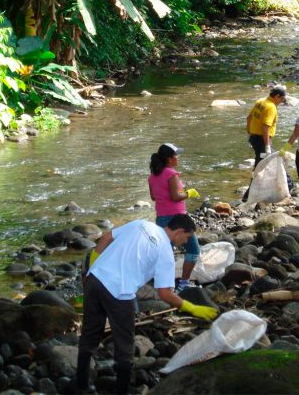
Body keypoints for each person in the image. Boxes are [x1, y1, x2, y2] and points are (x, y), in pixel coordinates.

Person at [76, 215, 218, 394]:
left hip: (94, 280)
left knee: (90, 333)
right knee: (125, 346)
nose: (186, 241)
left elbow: (105, 238)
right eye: (187, 237)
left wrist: (93, 267)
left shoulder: (141, 224)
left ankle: (81, 385)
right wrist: (192, 307)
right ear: (180, 232)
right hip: (119, 293)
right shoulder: (165, 252)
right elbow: (164, 293)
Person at [148, 143, 201, 292]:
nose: (178, 158)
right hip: (177, 219)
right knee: (193, 250)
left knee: (164, 253)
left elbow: (153, 197)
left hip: (161, 218)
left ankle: (163, 285)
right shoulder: (171, 174)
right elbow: (175, 196)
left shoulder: (152, 176)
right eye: (176, 155)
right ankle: (184, 284)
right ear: (169, 159)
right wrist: (189, 193)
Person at [243, 85, 288, 202]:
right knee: (261, 166)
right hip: (262, 140)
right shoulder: (271, 107)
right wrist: (267, 146)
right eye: (282, 99)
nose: (281, 102)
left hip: (254, 138)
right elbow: (265, 127)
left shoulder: (261, 101)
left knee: (262, 164)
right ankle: (249, 196)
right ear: (277, 96)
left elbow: (248, 118)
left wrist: (249, 133)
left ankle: (254, 193)